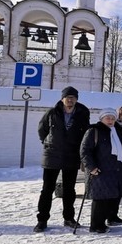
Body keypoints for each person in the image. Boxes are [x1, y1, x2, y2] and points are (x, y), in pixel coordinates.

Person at [34, 86, 90, 233]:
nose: (70, 99)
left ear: (76, 99)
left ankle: (69, 218)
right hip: (52, 156)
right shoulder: (52, 113)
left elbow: (85, 134)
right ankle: (42, 220)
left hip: (71, 156)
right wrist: (48, 143)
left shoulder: (83, 114)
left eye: (73, 97)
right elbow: (42, 130)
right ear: (62, 98)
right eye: (67, 97)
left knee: (69, 190)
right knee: (47, 189)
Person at [80, 108, 122, 233]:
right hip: (99, 170)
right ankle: (96, 225)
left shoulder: (118, 132)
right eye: (107, 118)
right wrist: (91, 167)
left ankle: (107, 220)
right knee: (100, 198)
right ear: (101, 118)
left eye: (113, 118)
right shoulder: (94, 131)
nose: (110, 120)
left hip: (116, 170)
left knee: (111, 197)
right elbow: (85, 150)